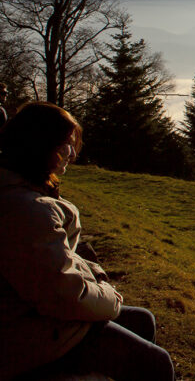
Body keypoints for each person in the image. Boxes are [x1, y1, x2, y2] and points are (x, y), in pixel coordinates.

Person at [0, 102, 174, 381]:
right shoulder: (27, 209)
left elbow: (56, 262)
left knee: (143, 319)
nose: (71, 153)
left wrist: (95, 275)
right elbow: (65, 296)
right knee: (157, 363)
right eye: (64, 145)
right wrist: (110, 296)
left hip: (33, 316)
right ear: (40, 146)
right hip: (27, 335)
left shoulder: (27, 193)